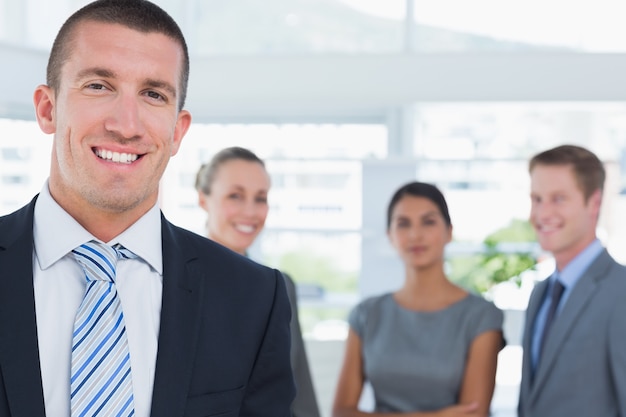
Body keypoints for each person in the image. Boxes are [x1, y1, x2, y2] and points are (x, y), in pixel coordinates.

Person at [0, 1, 294, 416]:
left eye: (153, 94)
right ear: (48, 109)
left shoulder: (253, 299)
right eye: (99, 86)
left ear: (177, 131)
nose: (126, 124)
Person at [332, 181, 504, 417]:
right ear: (390, 235)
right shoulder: (366, 314)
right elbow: (341, 412)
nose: (415, 234)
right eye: (403, 224)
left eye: (429, 222)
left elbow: (472, 414)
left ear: (449, 232)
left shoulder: (481, 316)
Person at [195, 146, 321, 417]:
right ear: (203, 199)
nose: (250, 212)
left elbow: (300, 391)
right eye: (235, 196)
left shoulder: (281, 287)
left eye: (260, 198)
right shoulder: (169, 281)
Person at [518, 144, 626, 417]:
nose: (542, 214)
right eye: (537, 198)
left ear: (595, 203)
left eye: (559, 199)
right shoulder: (541, 293)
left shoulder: (621, 293)